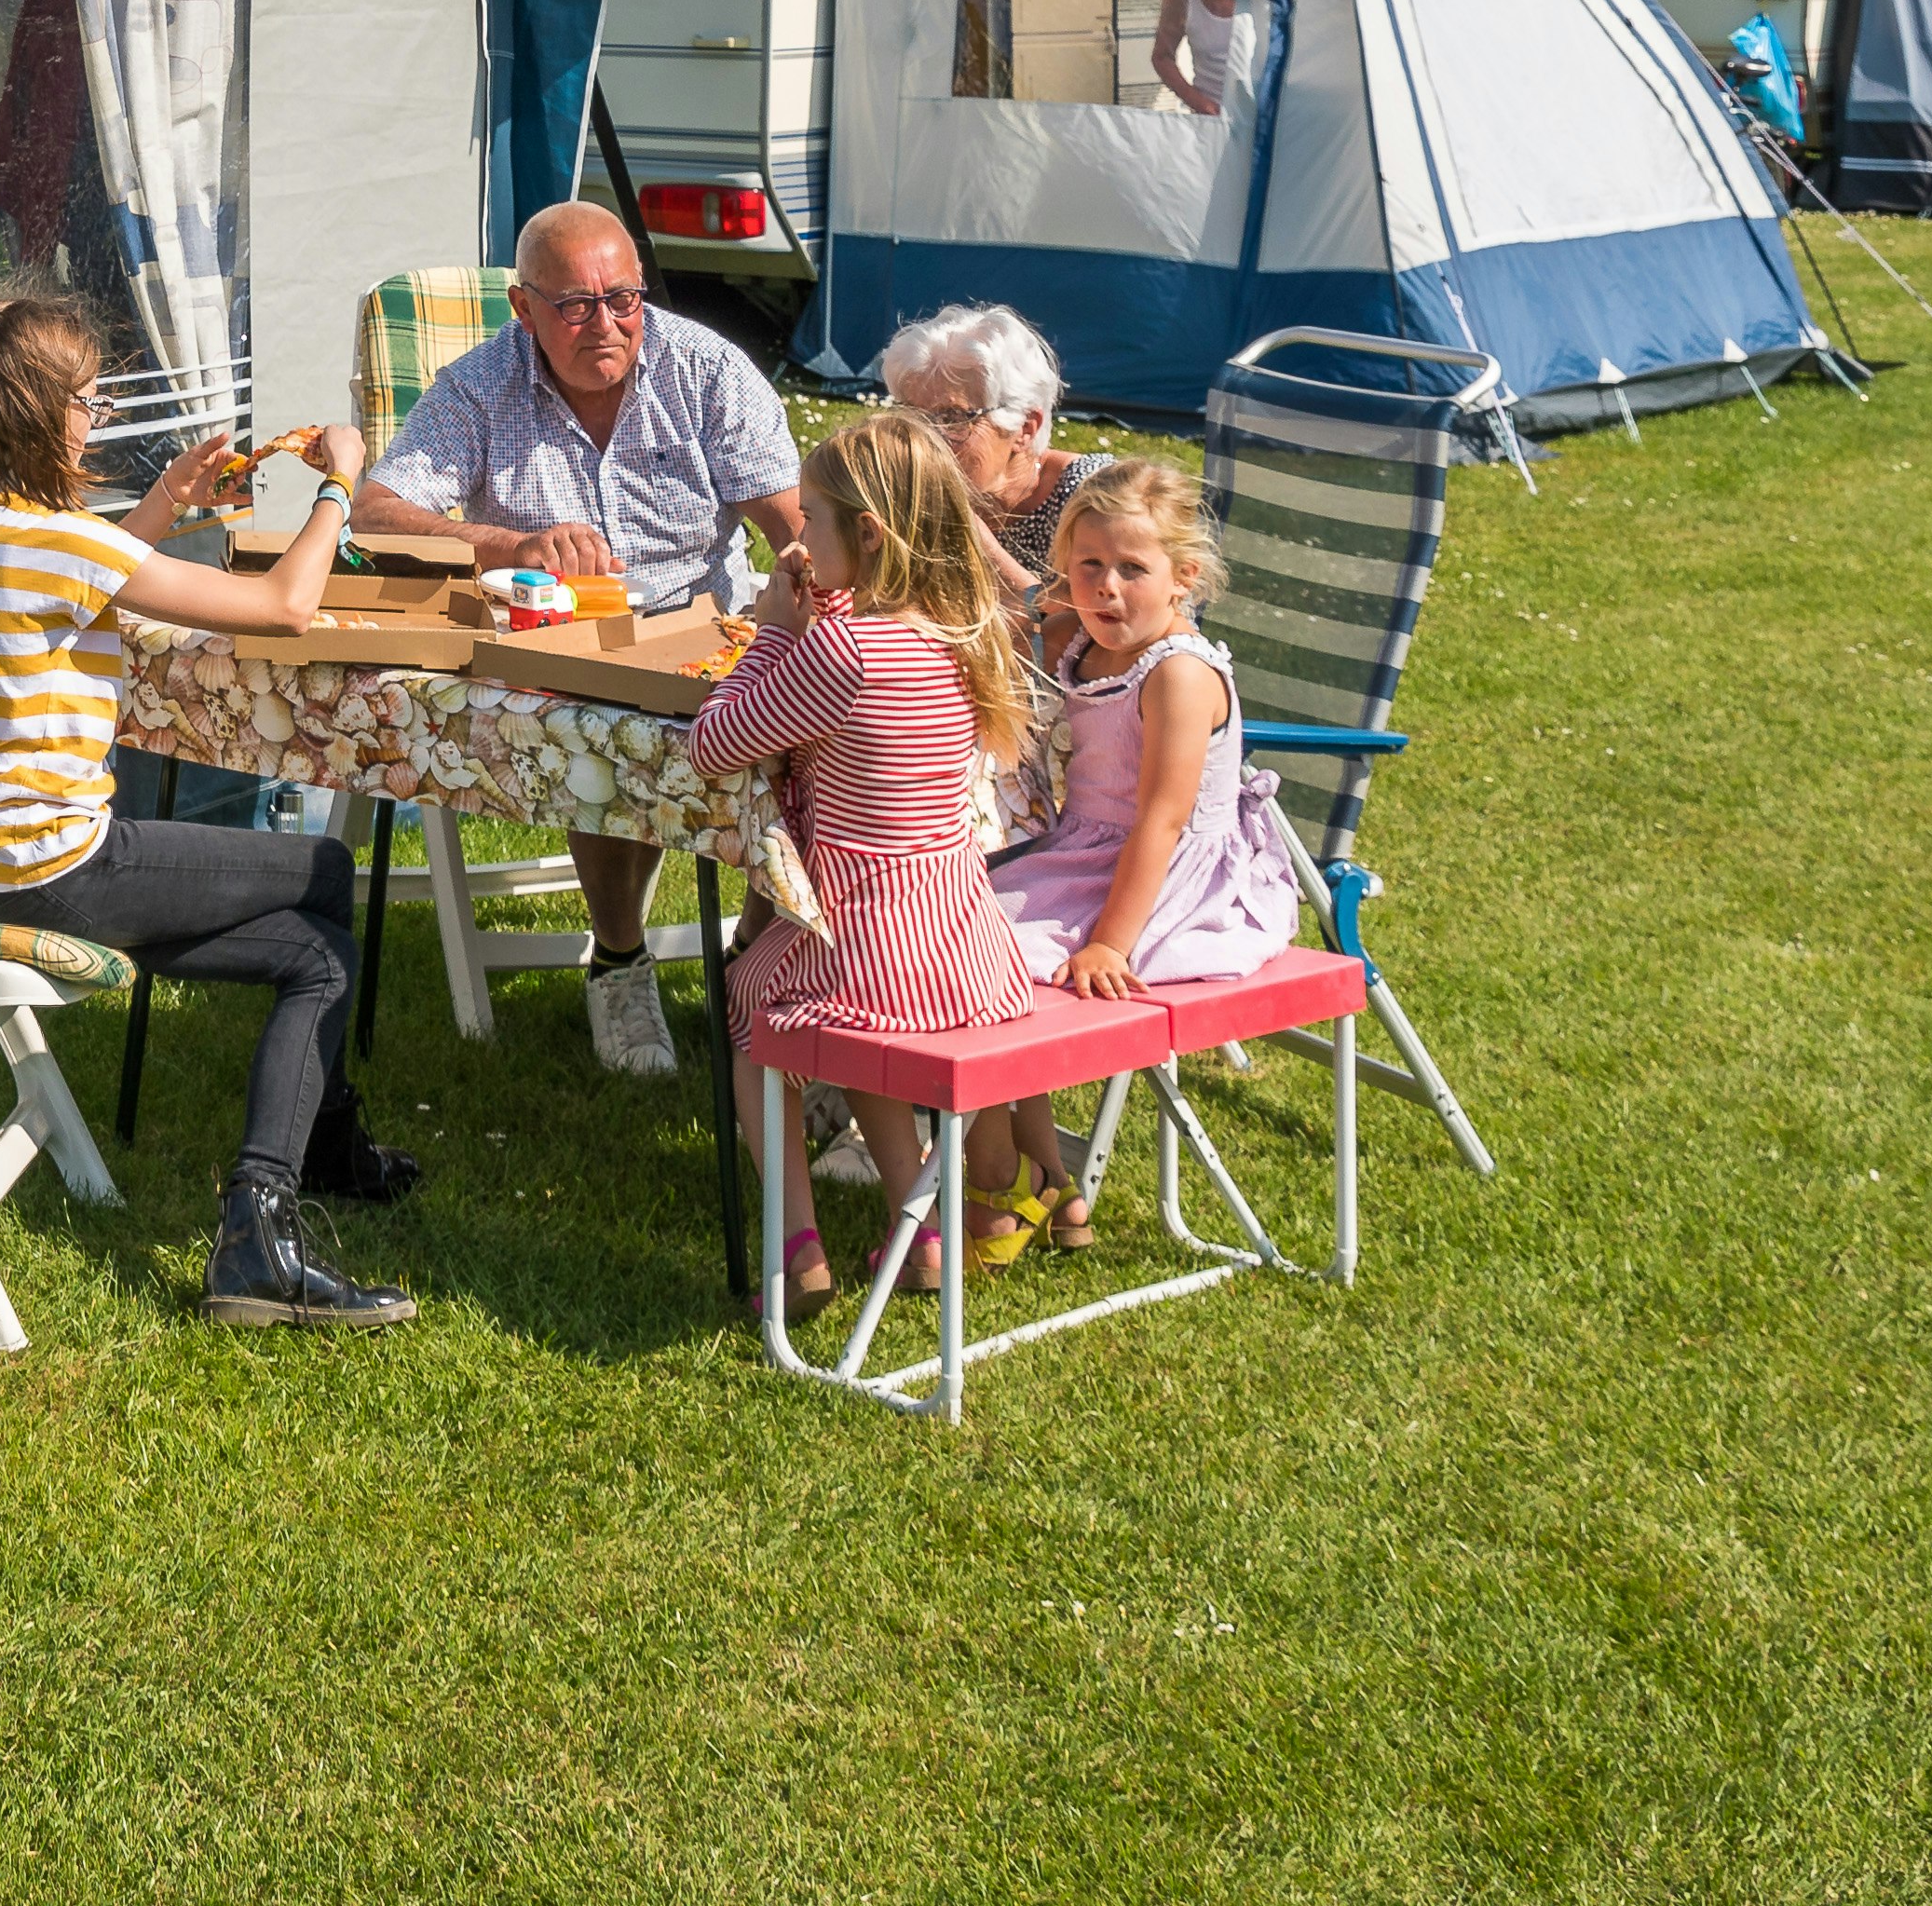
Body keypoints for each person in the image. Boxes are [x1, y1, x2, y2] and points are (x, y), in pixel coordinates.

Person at [0, 284, 428, 1329]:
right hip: (59, 868)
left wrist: (165, 505)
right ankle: (266, 1221)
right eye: (89, 401)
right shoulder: (63, 542)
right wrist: (339, 482)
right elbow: (284, 605)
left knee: (317, 955)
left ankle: (290, 1189)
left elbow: (87, 575)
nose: (96, 419)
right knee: (328, 870)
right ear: (42, 414)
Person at [348, 199, 804, 1077]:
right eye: (576, 306)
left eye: (623, 299)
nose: (607, 323)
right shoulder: (481, 385)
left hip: (706, 628)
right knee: (597, 726)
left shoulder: (705, 369)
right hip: (562, 642)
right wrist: (513, 547)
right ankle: (620, 960)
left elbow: (793, 527)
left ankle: (752, 951)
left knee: (811, 727)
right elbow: (377, 513)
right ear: (524, 309)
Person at [687, 414, 1058, 1317]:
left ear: (869, 533)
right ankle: (917, 1230)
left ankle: (796, 1249)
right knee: (858, 1024)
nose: (797, 536)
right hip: (958, 940)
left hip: (866, 930)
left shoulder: (843, 650)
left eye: (810, 519)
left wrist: (774, 632)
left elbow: (714, 743)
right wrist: (815, 616)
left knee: (748, 1001)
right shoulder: (955, 628)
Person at [986, 454, 1311, 1245]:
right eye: (1089, 566)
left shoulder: (1179, 675)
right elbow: (1010, 624)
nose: (1107, 588)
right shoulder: (1084, 638)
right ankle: (1050, 1182)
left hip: (1165, 880)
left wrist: (1108, 943)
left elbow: (1162, 822)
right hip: (1086, 849)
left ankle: (1004, 1183)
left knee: (979, 959)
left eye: (1133, 569)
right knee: (952, 935)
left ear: (1183, 579)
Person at [875, 301, 1085, 579]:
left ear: (1025, 428)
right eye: (914, 416)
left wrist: (980, 542)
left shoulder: (1091, 499)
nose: (926, 437)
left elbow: (1102, 604)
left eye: (952, 417)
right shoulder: (899, 487)